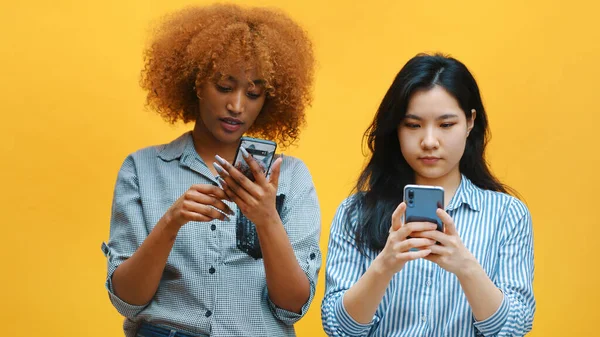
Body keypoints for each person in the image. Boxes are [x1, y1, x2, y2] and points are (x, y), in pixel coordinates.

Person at [101, 4, 321, 336]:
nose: (236, 105)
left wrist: (266, 219)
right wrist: (171, 222)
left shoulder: (291, 177)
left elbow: (292, 308)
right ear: (196, 82)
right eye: (223, 86)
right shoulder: (141, 169)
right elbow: (127, 300)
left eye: (253, 93)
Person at [321, 53, 535, 337]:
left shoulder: (508, 214)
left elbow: (514, 329)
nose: (429, 141)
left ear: (470, 122)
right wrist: (383, 266)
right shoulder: (355, 212)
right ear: (396, 127)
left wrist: (466, 267)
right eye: (413, 125)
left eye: (446, 125)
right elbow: (339, 330)